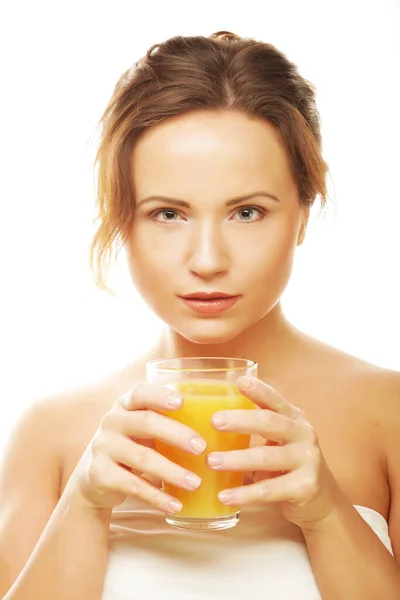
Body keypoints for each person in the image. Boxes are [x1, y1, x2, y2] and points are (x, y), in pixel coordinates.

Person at [0, 30, 399, 600]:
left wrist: (326, 513)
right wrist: (85, 505)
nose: (208, 261)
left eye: (246, 212)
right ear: (122, 221)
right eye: (168, 213)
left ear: (305, 212)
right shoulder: (52, 434)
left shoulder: (389, 415)